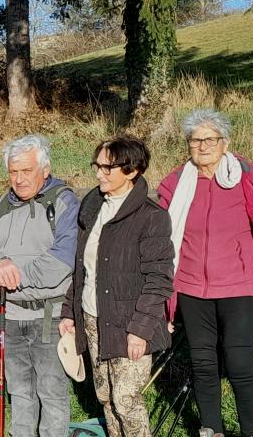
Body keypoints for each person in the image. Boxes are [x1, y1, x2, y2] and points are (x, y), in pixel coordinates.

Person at [158, 109, 253, 437]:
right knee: (203, 364)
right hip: (191, 288)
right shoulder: (176, 184)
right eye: (195, 140)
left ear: (225, 142)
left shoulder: (248, 178)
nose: (202, 146)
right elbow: (163, 237)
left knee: (240, 364)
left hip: (239, 288)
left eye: (210, 139)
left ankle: (251, 432)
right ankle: (212, 429)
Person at [60, 137, 174, 437]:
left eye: (107, 168)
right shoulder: (92, 207)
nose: (99, 173)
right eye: (96, 165)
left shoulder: (152, 217)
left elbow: (159, 278)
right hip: (92, 318)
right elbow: (81, 266)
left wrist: (141, 330)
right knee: (106, 398)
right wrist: (70, 311)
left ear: (132, 170)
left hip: (129, 324)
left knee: (126, 401)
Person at [0, 135, 79, 437]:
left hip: (50, 316)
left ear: (45, 169)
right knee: (19, 395)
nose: (19, 179)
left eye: (26, 170)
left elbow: (62, 260)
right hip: (10, 315)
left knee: (52, 395)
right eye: (13, 171)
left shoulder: (64, 202)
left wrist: (10, 275)